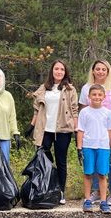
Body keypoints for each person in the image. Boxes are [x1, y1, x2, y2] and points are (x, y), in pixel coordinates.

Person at [28, 60, 79, 205]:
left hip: (63, 129)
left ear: (65, 72)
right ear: (52, 71)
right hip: (45, 130)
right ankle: (47, 187)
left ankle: (61, 191)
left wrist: (76, 129)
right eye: (56, 69)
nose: (59, 72)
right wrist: (32, 126)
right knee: (44, 157)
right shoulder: (44, 88)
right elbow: (37, 109)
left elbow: (75, 110)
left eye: (62, 69)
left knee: (61, 160)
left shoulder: (70, 89)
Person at [78, 60, 111, 206]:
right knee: (92, 164)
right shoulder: (86, 88)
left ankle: (110, 194)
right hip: (91, 133)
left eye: (104, 69)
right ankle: (95, 192)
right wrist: (80, 139)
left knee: (109, 163)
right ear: (93, 71)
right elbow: (83, 110)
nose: (100, 71)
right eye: (98, 69)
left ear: (108, 71)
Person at [77, 84, 111, 214]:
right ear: (89, 96)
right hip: (88, 146)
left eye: (100, 95)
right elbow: (80, 131)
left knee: (102, 174)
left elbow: (110, 131)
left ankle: (103, 202)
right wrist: (79, 148)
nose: (97, 97)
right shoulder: (84, 112)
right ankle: (87, 200)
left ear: (104, 97)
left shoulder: (107, 113)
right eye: (94, 94)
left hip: (103, 147)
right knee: (88, 173)